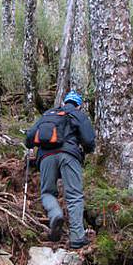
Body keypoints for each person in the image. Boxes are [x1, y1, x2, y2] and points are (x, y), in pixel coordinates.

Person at [25, 91, 95, 249]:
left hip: (45, 157)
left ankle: (55, 214)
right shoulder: (78, 114)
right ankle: (77, 237)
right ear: (79, 104)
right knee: (74, 196)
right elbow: (89, 140)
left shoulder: (48, 114)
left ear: (64, 102)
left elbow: (29, 138)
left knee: (47, 192)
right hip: (69, 155)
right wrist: (87, 150)